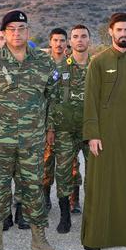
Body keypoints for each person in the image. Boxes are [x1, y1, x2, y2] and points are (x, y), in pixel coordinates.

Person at [0, 11, 58, 250]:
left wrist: (49, 128)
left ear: (28, 31)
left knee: (33, 187)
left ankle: (39, 237)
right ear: (4, 33)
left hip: (32, 139)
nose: (17, 33)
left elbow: (53, 97)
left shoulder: (44, 62)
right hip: (0, 139)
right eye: (11, 29)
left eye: (21, 28)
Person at [80, 13, 126, 250]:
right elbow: (90, 100)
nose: (123, 34)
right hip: (104, 134)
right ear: (110, 32)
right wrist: (92, 134)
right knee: (101, 183)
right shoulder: (98, 62)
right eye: (119, 30)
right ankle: (95, 237)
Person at [49, 24, 91, 235]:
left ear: (89, 40)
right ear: (70, 41)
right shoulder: (60, 69)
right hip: (65, 129)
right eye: (76, 36)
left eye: (83, 36)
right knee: (63, 172)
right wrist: (50, 127)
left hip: (91, 130)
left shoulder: (96, 66)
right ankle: (65, 215)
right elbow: (51, 99)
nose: (80, 40)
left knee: (95, 172)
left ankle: (93, 213)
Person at [42, 28, 69, 209]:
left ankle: (72, 199)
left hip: (67, 121)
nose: (59, 44)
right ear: (50, 42)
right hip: (46, 120)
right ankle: (45, 196)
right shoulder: (42, 65)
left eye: (62, 40)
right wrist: (48, 126)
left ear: (67, 43)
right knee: (46, 161)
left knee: (70, 163)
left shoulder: (71, 64)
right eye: (56, 40)